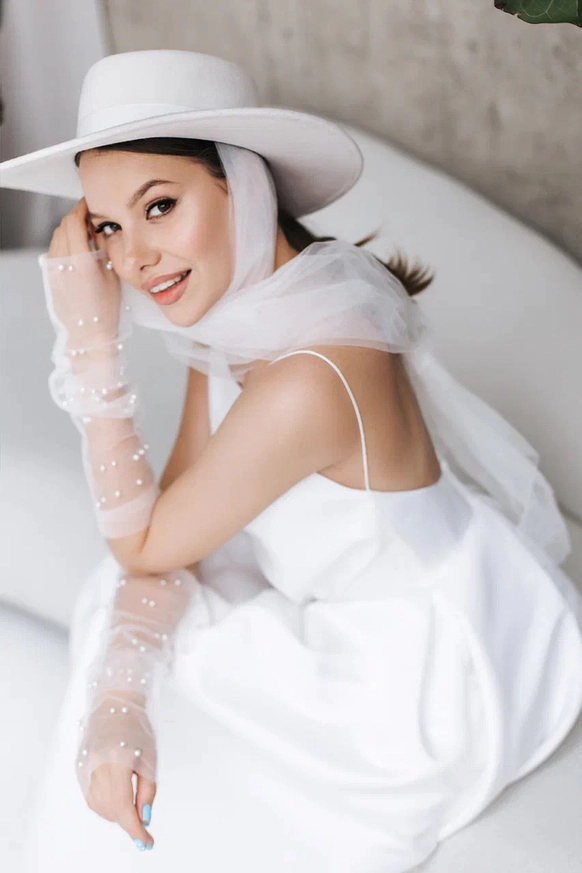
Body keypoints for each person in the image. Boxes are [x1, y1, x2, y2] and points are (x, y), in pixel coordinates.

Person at [2, 50, 581, 873]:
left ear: (246, 188)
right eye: (107, 227)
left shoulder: (312, 378)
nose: (130, 261)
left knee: (144, 640)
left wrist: (91, 346)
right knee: (127, 634)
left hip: (414, 673)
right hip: (326, 603)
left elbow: (142, 542)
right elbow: (163, 538)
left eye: (159, 206)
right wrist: (118, 700)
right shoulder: (241, 316)